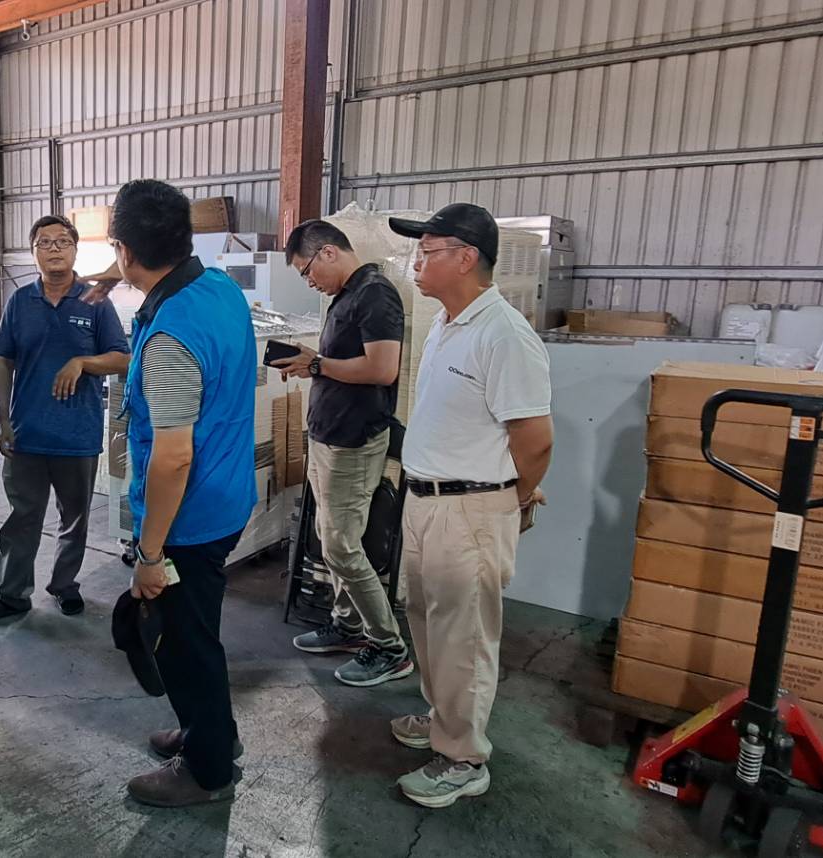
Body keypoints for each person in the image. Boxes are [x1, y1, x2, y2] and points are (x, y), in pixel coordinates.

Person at [381, 203, 552, 809]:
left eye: (427, 252)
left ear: (466, 258)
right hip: (427, 501)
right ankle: (443, 719)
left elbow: (535, 439)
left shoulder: (504, 334)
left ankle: (463, 758)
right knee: (429, 623)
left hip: (471, 509)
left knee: (466, 638)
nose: (415, 262)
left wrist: (514, 498)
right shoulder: (448, 325)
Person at [113, 179, 258, 808]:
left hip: (188, 516)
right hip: (228, 495)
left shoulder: (170, 335)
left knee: (184, 645)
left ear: (125, 250)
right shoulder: (217, 288)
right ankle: (212, 731)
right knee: (198, 629)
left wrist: (150, 555)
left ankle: (207, 770)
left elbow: (173, 458)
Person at [271, 219, 411, 688]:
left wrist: (316, 364)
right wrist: (312, 361)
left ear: (328, 252)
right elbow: (341, 363)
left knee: (341, 547)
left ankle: (388, 646)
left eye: (307, 270)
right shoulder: (348, 296)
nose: (309, 281)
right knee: (331, 537)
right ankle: (348, 625)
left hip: (353, 441)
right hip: (330, 435)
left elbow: (382, 369)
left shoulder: (375, 295)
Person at [0, 215, 129, 624]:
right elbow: (3, 362)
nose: (54, 248)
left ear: (75, 250)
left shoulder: (95, 300)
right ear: (34, 253)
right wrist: (4, 422)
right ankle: (12, 595)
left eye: (63, 241)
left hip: (77, 434)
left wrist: (83, 362)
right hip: (27, 434)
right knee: (21, 518)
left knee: (74, 519)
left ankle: (64, 584)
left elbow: (122, 358)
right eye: (44, 242)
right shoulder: (20, 302)